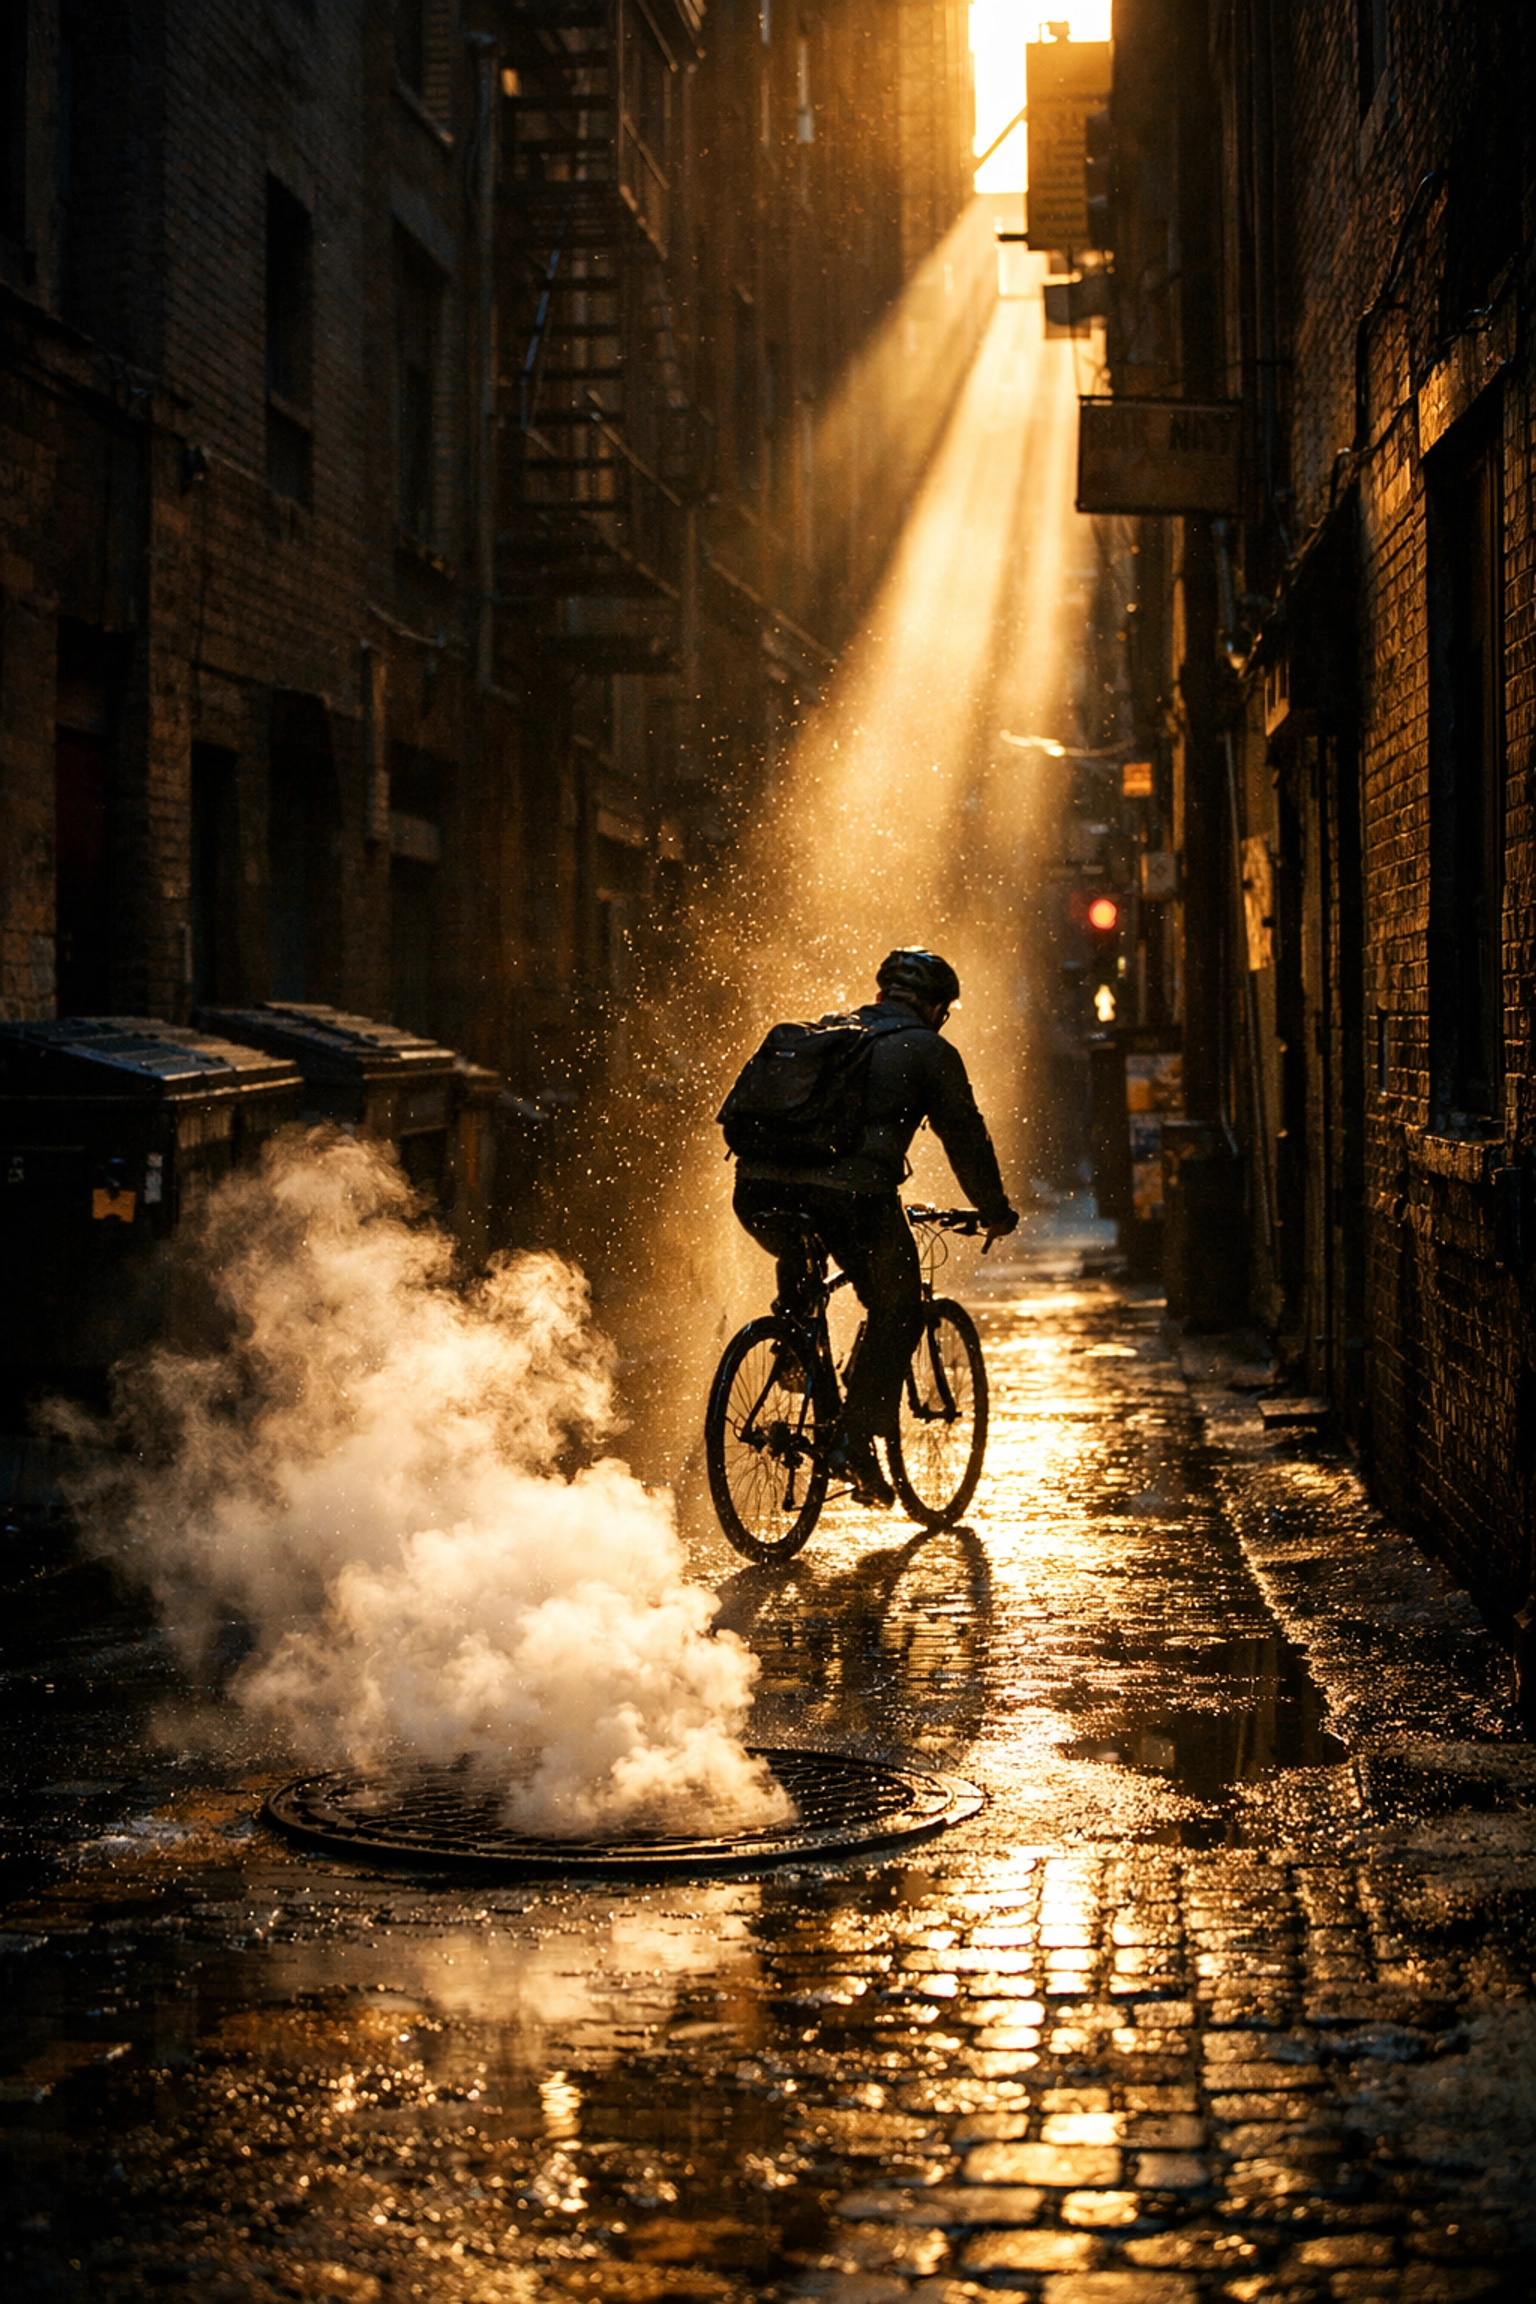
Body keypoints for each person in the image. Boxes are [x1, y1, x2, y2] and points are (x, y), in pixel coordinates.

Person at [733, 947, 1019, 1507]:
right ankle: (852, 1440)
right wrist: (994, 1209)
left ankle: (796, 1342)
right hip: (851, 1199)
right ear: (935, 1007)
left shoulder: (832, 1033)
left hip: (756, 1191)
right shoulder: (930, 1050)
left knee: (801, 1242)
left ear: (883, 994)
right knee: (899, 1306)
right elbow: (965, 1136)